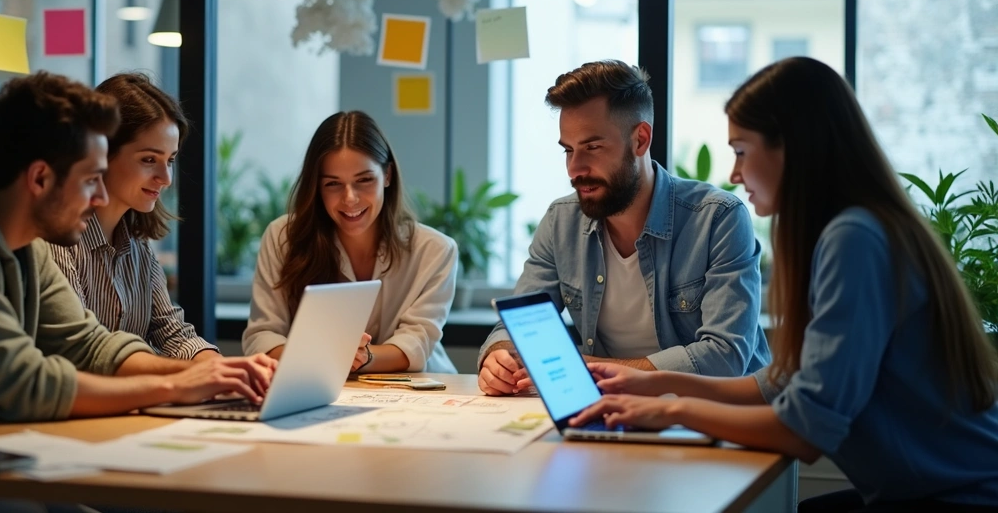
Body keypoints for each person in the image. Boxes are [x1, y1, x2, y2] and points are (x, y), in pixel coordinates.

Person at [0, 72, 275, 513]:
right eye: (89, 180)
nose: (99, 196)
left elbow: (91, 344)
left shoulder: (20, 247)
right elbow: (23, 383)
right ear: (40, 179)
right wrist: (174, 385)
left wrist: (205, 376)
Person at [575, 57, 998, 512]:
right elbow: (782, 386)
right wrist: (656, 385)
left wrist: (671, 410)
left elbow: (806, 428)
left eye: (741, 150)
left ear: (791, 148)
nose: (735, 175)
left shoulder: (853, 238)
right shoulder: (854, 227)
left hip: (964, 497)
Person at [478, 60, 770, 396]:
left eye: (592, 147)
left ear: (640, 140)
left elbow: (725, 356)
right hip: (616, 409)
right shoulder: (561, 221)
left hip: (717, 415)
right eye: (568, 150)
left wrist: (592, 370)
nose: (575, 169)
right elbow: (520, 325)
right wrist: (498, 355)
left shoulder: (717, 218)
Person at [243, 111, 458, 373]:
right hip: (316, 387)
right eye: (333, 184)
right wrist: (325, 357)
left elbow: (417, 343)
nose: (350, 199)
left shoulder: (435, 250)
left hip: (423, 393)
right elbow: (263, 336)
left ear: (387, 175)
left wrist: (359, 357)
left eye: (364, 180)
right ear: (316, 186)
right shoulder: (282, 238)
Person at [49, 72, 218, 361]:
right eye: (149, 160)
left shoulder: (138, 247)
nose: (165, 178)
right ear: (101, 154)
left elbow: (175, 335)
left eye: (171, 160)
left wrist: (228, 371)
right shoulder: (57, 241)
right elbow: (86, 352)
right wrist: (195, 376)